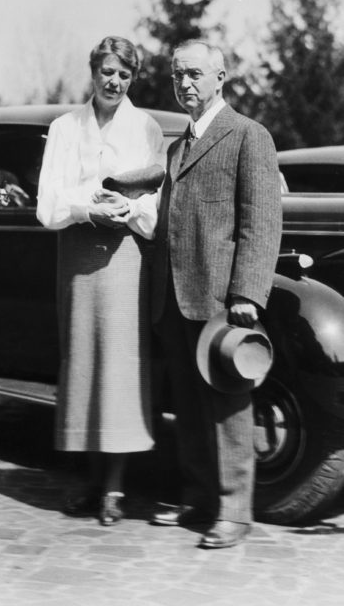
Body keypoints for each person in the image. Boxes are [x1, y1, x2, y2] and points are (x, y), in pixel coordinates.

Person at [134, 40, 282, 548]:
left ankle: (235, 512)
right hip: (174, 297)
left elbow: (261, 222)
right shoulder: (177, 147)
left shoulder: (248, 136)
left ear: (222, 77)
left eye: (195, 74)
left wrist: (247, 293)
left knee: (228, 403)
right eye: (178, 76)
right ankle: (198, 496)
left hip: (222, 299)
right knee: (189, 406)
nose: (185, 84)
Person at [37, 36, 165, 526]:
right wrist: (88, 206)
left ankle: (115, 489)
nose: (114, 82)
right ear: (93, 72)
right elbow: (48, 205)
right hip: (75, 253)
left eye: (124, 75)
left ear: (133, 78)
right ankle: (91, 481)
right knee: (85, 363)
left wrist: (127, 207)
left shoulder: (146, 127)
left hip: (125, 255)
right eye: (107, 72)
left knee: (119, 367)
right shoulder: (66, 128)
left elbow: (154, 205)